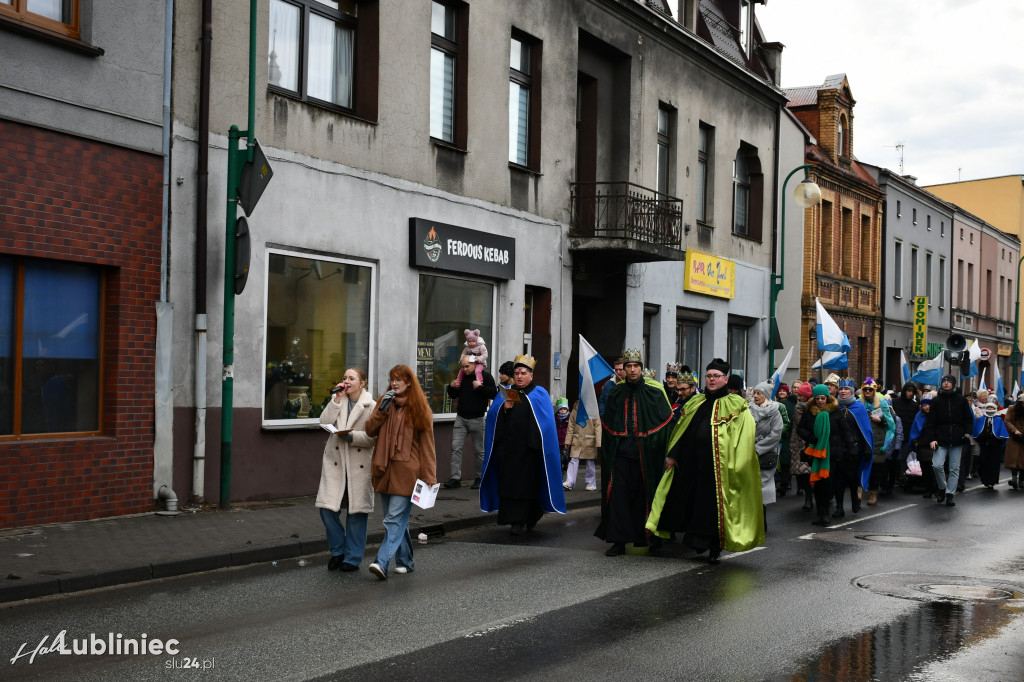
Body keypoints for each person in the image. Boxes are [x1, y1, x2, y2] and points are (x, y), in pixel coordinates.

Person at [647, 358, 763, 563]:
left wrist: (737, 464)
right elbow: (682, 430)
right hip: (692, 463)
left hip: (718, 467)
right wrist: (673, 455)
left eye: (716, 376)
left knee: (713, 507)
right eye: (709, 376)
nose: (711, 380)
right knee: (690, 501)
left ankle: (714, 547)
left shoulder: (737, 405)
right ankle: (692, 539)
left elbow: (744, 437)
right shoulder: (696, 402)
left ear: (725, 379)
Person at [597, 348, 673, 556]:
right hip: (621, 454)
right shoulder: (616, 392)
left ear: (641, 368)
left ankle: (652, 538)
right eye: (628, 366)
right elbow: (609, 423)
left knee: (648, 495)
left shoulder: (655, 392)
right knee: (618, 497)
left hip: (647, 455)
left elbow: (666, 424)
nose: (632, 370)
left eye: (635, 366)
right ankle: (618, 540)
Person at [364, 365, 437, 580]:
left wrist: (429, 476)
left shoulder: (420, 409)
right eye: (392, 379)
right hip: (385, 469)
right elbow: (369, 431)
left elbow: (428, 446)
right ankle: (406, 561)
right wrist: (381, 410)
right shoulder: (385, 402)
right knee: (395, 518)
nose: (394, 383)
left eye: (399, 379)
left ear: (409, 382)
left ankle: (381, 562)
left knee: (394, 519)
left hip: (408, 472)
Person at [480, 354, 566, 535]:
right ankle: (513, 521)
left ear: (531, 376)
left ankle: (529, 517)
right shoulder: (505, 392)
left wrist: (536, 446)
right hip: (508, 451)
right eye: (517, 373)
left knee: (526, 488)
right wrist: (503, 408)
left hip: (529, 452)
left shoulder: (539, 393)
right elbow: (493, 418)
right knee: (508, 486)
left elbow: (546, 424)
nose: (519, 376)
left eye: (524, 373)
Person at [316, 368, 377, 573]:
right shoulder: (338, 400)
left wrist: (352, 437)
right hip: (336, 464)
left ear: (362, 383)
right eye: (344, 378)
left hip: (358, 465)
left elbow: (374, 437)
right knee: (326, 509)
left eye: (351, 378)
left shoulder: (372, 406)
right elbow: (324, 422)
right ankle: (338, 551)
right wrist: (335, 400)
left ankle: (352, 558)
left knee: (356, 514)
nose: (346, 381)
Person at [443, 355, 498, 490]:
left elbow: (494, 394)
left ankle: (479, 478)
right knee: (456, 448)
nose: (464, 369)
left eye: (467, 366)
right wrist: (451, 386)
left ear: (475, 364)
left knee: (479, 451)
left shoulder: (485, 376)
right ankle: (455, 478)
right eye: (462, 366)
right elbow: (453, 395)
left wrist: (480, 387)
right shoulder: (462, 377)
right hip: (461, 418)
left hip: (477, 419)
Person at [797, 383, 847, 526]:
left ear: (828, 398)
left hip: (831, 453)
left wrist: (850, 447)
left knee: (828, 483)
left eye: (823, 398)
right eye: (817, 398)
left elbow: (845, 431)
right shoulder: (809, 412)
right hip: (815, 453)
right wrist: (811, 437)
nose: (820, 401)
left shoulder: (836, 412)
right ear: (813, 399)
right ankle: (820, 514)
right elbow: (800, 429)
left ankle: (826, 513)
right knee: (818, 485)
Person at [921, 374, 974, 507]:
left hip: (958, 438)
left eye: (949, 381)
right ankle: (942, 487)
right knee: (937, 465)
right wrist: (932, 438)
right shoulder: (936, 401)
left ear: (953, 384)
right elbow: (931, 422)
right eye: (944, 381)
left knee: (954, 468)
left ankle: (950, 494)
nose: (946, 383)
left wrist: (967, 433)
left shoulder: (961, 400)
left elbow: (968, 419)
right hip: (940, 438)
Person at [831, 379, 872, 518]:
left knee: (851, 477)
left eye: (846, 389)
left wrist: (867, 447)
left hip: (854, 449)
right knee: (838, 479)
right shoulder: (834, 407)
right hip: (837, 448)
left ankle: (855, 499)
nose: (843, 391)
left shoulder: (858, 407)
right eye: (841, 389)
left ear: (852, 392)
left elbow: (865, 429)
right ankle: (839, 507)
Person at [749, 381, 784, 531]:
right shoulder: (748, 410)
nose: (755, 396)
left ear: (766, 396)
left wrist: (757, 448)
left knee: (762, 488)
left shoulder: (775, 412)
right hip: (747, 453)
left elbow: (776, 434)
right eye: (755, 393)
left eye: (759, 393)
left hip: (765, 454)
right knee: (749, 487)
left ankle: (762, 522)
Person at [859, 378, 895, 506]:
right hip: (862, 439)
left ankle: (873, 493)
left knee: (876, 468)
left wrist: (881, 420)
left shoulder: (882, 404)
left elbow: (891, 424)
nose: (868, 391)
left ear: (874, 391)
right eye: (865, 389)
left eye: (870, 389)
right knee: (860, 465)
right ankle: (859, 488)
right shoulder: (858, 403)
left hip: (877, 440)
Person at [563, 399, 601, 491]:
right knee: (573, 460)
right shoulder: (575, 411)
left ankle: (590, 483)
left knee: (590, 463)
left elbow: (598, 427)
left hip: (589, 441)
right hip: (577, 440)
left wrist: (598, 442)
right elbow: (571, 427)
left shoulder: (593, 412)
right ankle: (570, 482)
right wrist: (568, 441)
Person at [890, 382, 920, 494]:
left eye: (912, 392)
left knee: (903, 458)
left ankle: (902, 477)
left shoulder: (914, 405)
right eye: (908, 391)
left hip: (908, 435)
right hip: (895, 434)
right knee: (893, 457)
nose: (910, 393)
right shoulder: (895, 402)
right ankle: (894, 477)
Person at [789, 381, 815, 510]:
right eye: (799, 395)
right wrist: (793, 443)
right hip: (799, 443)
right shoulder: (797, 407)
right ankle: (808, 497)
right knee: (802, 473)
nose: (799, 398)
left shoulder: (813, 408)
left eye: (802, 396)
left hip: (811, 443)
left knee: (810, 472)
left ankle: (812, 496)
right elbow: (795, 427)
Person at [973, 402, 1008, 488]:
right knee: (983, 462)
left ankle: (991, 481)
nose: (990, 409)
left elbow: (1001, 431)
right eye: (988, 407)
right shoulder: (981, 419)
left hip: (995, 444)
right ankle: (984, 479)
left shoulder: (998, 419)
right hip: (984, 444)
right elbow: (977, 430)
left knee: (993, 463)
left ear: (995, 409)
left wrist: (1000, 440)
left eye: (992, 408)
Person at [776, 383, 796, 496]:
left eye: (784, 390)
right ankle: (783, 482)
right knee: (781, 461)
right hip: (782, 435)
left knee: (786, 461)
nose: (781, 392)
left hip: (789, 435)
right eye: (780, 391)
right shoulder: (778, 403)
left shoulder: (788, 404)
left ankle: (786, 482)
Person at [1002, 392, 1024, 489]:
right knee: (1013, 459)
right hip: (1014, 437)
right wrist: (1015, 430)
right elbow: (1007, 420)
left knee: (1023, 460)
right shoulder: (1012, 408)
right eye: (1022, 403)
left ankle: (1021, 481)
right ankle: (1014, 478)